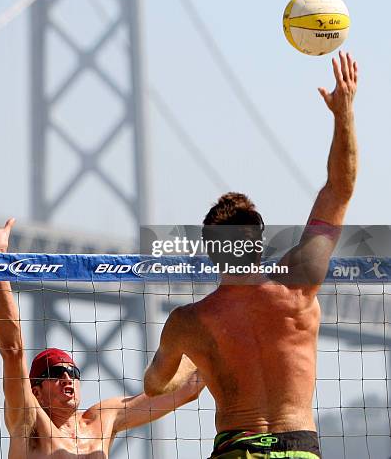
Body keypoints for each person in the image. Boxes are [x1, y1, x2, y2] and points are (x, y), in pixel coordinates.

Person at [144, 51, 358, 459]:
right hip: (298, 449)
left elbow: (154, 385)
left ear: (210, 249)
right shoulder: (298, 282)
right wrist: (343, 112)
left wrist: (199, 365)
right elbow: (338, 189)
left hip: (236, 449)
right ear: (259, 242)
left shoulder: (188, 322)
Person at [0, 204, 204, 458]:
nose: (67, 378)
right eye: (55, 373)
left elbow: (186, 390)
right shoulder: (29, 424)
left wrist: (234, 313)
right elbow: (13, 351)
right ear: (35, 391)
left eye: (73, 372)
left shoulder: (102, 419)